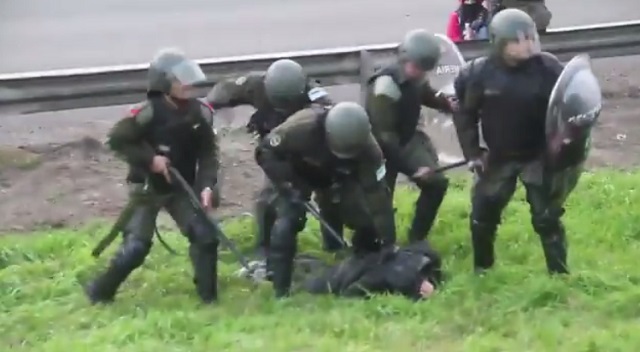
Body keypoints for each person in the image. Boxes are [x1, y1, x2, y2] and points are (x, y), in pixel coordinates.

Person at [85, 48, 221, 304]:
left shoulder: (200, 113)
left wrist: (206, 186)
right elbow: (117, 140)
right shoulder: (146, 113)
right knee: (136, 248)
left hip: (182, 188)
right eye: (181, 80)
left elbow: (208, 155)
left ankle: (209, 299)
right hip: (147, 189)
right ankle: (100, 292)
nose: (188, 85)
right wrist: (151, 160)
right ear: (164, 83)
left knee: (205, 236)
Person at [452, 9, 568, 274]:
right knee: (482, 217)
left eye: (529, 38)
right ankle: (483, 269)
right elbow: (464, 114)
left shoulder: (548, 68)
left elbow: (569, 108)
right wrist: (473, 153)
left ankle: (559, 274)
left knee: (547, 218)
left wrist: (562, 150)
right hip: (498, 157)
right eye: (517, 40)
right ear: (499, 42)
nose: (526, 45)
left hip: (537, 157)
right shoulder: (478, 73)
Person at [255, 101, 397, 297]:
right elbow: (264, 152)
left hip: (336, 175)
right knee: (286, 224)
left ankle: (359, 264)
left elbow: (378, 196)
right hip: (294, 173)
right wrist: (287, 185)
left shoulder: (370, 151)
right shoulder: (300, 128)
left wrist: (388, 241)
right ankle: (280, 288)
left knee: (366, 219)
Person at [206, 59, 345, 257]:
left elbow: (333, 124)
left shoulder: (318, 100)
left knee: (327, 195)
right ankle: (265, 247)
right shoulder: (256, 86)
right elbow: (225, 90)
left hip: (307, 151)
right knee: (269, 199)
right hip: (274, 148)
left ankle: (334, 247)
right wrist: (207, 108)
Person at [364, 29, 456, 245]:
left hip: (405, 138)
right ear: (405, 59)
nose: (419, 73)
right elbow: (385, 139)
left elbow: (424, 93)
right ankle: (380, 248)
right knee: (380, 205)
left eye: (423, 70)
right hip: (379, 149)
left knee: (436, 184)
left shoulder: (416, 76)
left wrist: (447, 104)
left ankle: (417, 239)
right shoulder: (385, 88)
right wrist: (415, 170)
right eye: (415, 67)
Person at [303, 240, 443, 300]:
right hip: (345, 274)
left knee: (317, 270)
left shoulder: (425, 261)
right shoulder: (383, 277)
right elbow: (350, 292)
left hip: (358, 264)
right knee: (312, 281)